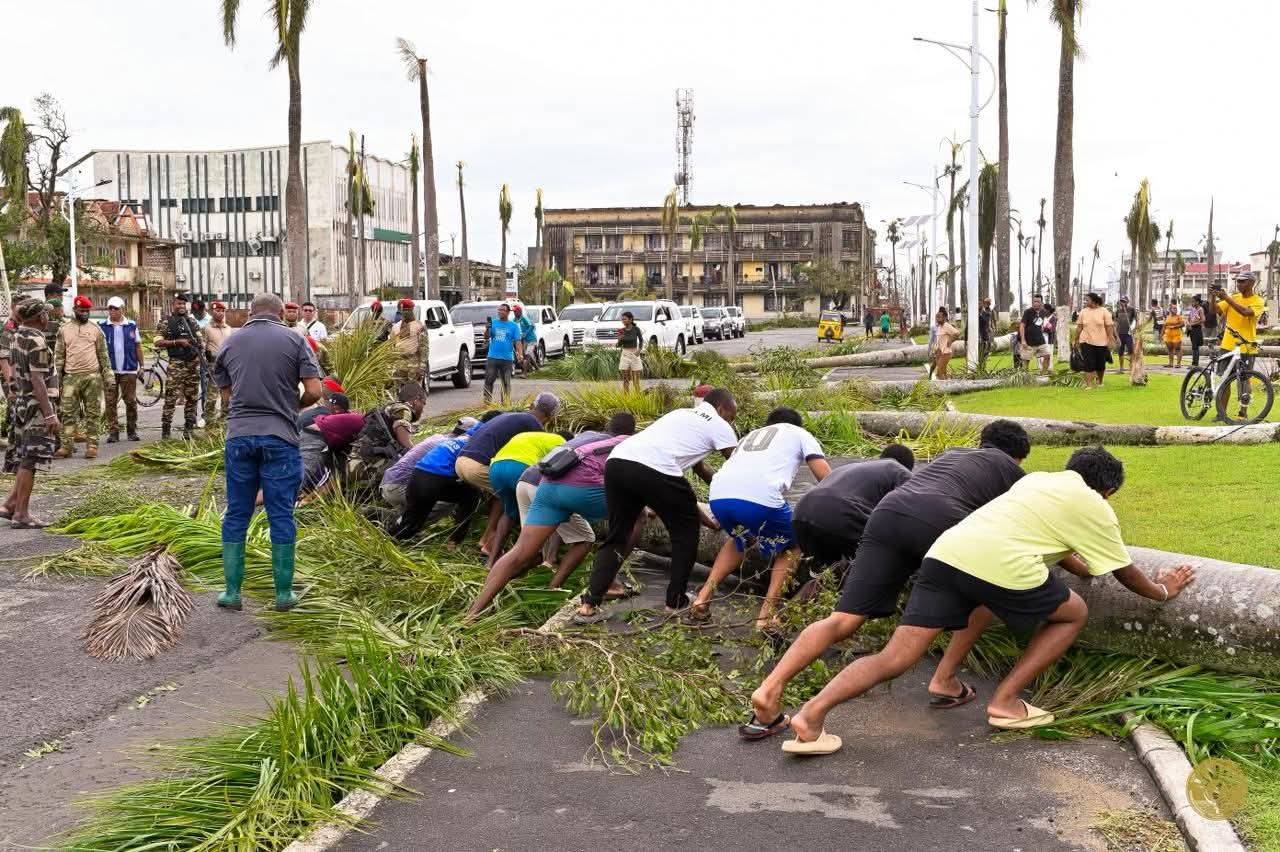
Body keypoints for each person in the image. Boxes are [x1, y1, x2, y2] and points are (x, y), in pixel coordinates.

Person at [781, 447, 1195, 754]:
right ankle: (1006, 702)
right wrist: (1162, 590)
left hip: (945, 554)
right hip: (998, 567)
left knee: (896, 656)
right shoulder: (1095, 507)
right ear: (1107, 490)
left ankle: (810, 717)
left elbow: (1067, 551)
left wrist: (1083, 567)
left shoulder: (1035, 482)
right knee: (1073, 613)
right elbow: (1122, 571)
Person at [743, 420, 1029, 741]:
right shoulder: (1014, 474)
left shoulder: (950, 456)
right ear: (1018, 456)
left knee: (842, 620)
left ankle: (769, 690)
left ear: (982, 441)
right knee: (979, 599)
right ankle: (944, 680)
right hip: (942, 520)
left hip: (885, 516)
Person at [574, 387, 739, 624]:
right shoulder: (719, 425)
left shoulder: (680, 415)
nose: (730, 422)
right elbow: (737, 464)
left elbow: (699, 471)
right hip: (655, 468)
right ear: (721, 407)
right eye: (730, 417)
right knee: (685, 534)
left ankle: (589, 605)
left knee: (618, 535)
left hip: (618, 462)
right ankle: (676, 602)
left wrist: (705, 515)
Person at [213, 293, 322, 612]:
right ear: (278, 313)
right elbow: (315, 391)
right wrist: (292, 405)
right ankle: (283, 594)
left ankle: (232, 592)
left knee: (237, 511)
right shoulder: (294, 339)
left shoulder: (230, 343)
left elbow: (228, 393)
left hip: (240, 437)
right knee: (280, 513)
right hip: (280, 436)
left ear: (250, 313)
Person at [468, 413, 639, 616]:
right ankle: (606, 582)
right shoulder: (628, 442)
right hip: (574, 486)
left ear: (608, 426)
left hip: (545, 483)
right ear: (631, 431)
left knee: (521, 551)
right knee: (637, 517)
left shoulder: (588, 435)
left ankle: (472, 614)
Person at [691, 407, 830, 631]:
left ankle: (702, 598)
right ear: (797, 424)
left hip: (718, 496)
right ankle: (765, 615)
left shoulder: (750, 436)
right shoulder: (799, 433)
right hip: (758, 498)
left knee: (741, 539)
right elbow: (824, 475)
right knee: (793, 545)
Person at [790, 444, 915, 584]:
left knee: (822, 575)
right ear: (908, 467)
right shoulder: (900, 470)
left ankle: (804, 600)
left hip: (800, 514)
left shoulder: (851, 467)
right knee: (878, 556)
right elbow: (913, 511)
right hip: (840, 514)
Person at [457, 392, 561, 554]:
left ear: (532, 406)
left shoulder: (514, 416)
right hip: (476, 465)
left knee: (501, 494)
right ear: (550, 417)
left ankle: (488, 539)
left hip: (462, 460)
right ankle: (502, 545)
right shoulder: (534, 426)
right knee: (515, 495)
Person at [2, 300, 60, 528]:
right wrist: (49, 414)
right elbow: (38, 379)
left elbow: (14, 375)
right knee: (30, 460)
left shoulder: (18, 336)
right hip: (36, 407)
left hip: (23, 404)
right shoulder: (36, 340)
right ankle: (21, 514)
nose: (48, 317)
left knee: (25, 455)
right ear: (40, 317)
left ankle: (10, 504)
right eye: (46, 314)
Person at [387, 418, 490, 544]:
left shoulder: (440, 438)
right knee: (451, 501)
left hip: (399, 481)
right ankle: (451, 541)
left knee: (414, 514)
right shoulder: (467, 446)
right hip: (401, 485)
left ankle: (397, 526)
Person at [483, 426, 571, 569]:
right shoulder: (562, 441)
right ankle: (546, 559)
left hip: (496, 469)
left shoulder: (530, 435)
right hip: (520, 468)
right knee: (549, 511)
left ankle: (491, 560)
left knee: (509, 513)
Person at [53, 296, 114, 460]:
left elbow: (104, 356)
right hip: (70, 378)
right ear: (74, 310)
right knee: (67, 413)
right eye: (82, 311)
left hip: (92, 378)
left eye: (87, 311)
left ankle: (92, 446)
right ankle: (66, 446)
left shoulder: (96, 329)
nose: (85, 313)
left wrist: (109, 377)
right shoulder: (64, 330)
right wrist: (56, 381)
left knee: (92, 414)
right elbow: (59, 357)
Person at [380, 416, 480, 510]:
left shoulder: (437, 437)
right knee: (451, 499)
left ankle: (383, 516)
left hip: (388, 481)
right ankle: (404, 524)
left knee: (409, 511)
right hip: (400, 487)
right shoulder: (452, 447)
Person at [345, 382, 425, 487]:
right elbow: (401, 431)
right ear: (416, 400)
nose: (423, 409)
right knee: (413, 471)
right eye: (423, 403)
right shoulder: (404, 409)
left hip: (355, 463)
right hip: (363, 467)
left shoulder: (389, 407)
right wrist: (419, 457)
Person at [1212, 271, 1267, 420]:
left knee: (1244, 382)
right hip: (1228, 345)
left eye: (1242, 281)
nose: (1239, 284)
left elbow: (1245, 312)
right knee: (1225, 379)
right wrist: (1213, 296)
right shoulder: (1233, 297)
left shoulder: (1258, 300)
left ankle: (1243, 413)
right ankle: (1221, 413)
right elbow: (1215, 310)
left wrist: (1226, 298)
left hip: (1247, 346)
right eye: (1238, 281)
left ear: (1251, 283)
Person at [156, 293, 203, 440]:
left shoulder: (192, 322)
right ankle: (166, 430)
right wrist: (177, 342)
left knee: (192, 398)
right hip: (176, 364)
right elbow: (157, 342)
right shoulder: (166, 322)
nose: (181, 306)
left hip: (192, 364)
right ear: (173, 305)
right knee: (171, 397)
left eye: (184, 304)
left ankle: (188, 429)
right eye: (179, 304)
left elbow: (200, 340)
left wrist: (201, 348)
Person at [99, 296, 144, 443]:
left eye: (116, 308)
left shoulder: (131, 325)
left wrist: (142, 366)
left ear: (122, 309)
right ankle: (113, 432)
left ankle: (132, 431)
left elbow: (138, 346)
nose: (112, 311)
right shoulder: (102, 326)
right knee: (110, 402)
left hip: (128, 369)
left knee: (130, 401)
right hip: (110, 371)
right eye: (110, 308)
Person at [298, 396, 362, 497]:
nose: (334, 410)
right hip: (315, 437)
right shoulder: (362, 423)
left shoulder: (348, 418)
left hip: (308, 434)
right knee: (305, 472)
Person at [1071, 292, 1114, 389]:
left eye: (1087, 300)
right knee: (1088, 362)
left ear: (1094, 301)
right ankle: (1089, 384)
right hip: (1086, 341)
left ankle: (1100, 381)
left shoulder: (1104, 311)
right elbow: (1079, 327)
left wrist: (1110, 338)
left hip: (1101, 342)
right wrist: (1076, 339)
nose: (1085, 302)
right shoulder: (1083, 312)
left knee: (1100, 364)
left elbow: (1109, 326)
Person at [201, 300, 234, 425]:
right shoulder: (206, 329)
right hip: (213, 365)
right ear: (211, 312)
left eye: (222, 311)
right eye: (217, 311)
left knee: (227, 393)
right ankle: (209, 420)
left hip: (227, 365)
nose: (220, 313)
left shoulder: (228, 329)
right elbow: (202, 348)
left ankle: (224, 419)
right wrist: (205, 366)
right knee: (212, 395)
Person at [482, 303, 522, 404]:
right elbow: (486, 337)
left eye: (502, 310)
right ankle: (487, 404)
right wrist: (487, 328)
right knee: (489, 381)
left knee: (505, 383)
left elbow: (518, 341)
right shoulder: (493, 323)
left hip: (507, 358)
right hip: (493, 357)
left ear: (508, 312)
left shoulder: (513, 326)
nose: (500, 312)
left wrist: (519, 353)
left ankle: (505, 405)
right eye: (499, 310)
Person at [389, 298, 428, 389]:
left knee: (413, 394)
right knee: (399, 394)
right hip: (399, 365)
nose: (405, 313)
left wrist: (422, 367)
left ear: (411, 310)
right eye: (403, 311)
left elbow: (424, 348)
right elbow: (391, 346)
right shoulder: (396, 327)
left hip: (414, 365)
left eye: (407, 311)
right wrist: (391, 366)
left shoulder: (419, 326)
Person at [1019, 294, 1051, 374]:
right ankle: (1025, 378)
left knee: (1047, 356)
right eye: (1034, 301)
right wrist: (1023, 340)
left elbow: (1041, 323)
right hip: (1028, 341)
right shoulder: (1027, 312)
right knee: (1026, 361)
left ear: (1041, 303)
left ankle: (1043, 375)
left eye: (1038, 301)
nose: (1036, 303)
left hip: (1040, 340)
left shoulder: (1043, 312)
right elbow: (1022, 326)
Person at [930, 308, 961, 380]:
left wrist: (951, 340)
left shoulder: (946, 325)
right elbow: (940, 340)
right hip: (939, 353)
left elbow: (957, 333)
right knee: (943, 373)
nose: (937, 319)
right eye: (936, 317)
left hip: (946, 353)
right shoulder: (940, 327)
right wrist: (936, 349)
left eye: (939, 317)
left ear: (944, 317)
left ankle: (943, 389)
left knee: (939, 374)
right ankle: (949, 386)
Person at [617, 310, 643, 393]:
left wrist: (639, 350)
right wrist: (619, 339)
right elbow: (618, 345)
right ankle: (626, 399)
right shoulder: (621, 330)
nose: (623, 321)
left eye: (625, 319)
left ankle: (638, 398)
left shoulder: (636, 329)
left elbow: (641, 340)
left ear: (631, 319)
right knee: (626, 379)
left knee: (636, 380)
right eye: (622, 319)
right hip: (625, 355)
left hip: (635, 354)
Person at [512, 304, 539, 374]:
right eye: (514, 312)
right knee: (525, 356)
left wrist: (525, 333)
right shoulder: (514, 320)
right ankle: (537, 369)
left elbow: (532, 326)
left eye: (516, 312)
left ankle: (525, 373)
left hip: (531, 340)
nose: (514, 313)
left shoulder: (524, 318)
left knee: (528, 354)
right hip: (523, 341)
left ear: (520, 312)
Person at [1112, 297, 1136, 372]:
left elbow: (1136, 320)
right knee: (1120, 351)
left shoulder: (1131, 309)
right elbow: (1115, 322)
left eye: (1124, 301)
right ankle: (1121, 368)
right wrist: (1115, 333)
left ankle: (1132, 367)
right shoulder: (1118, 311)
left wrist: (1134, 329)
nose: (1122, 303)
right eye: (1121, 301)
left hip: (1129, 334)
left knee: (1131, 351)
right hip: (1120, 334)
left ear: (1127, 301)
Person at [1162, 303, 1186, 368]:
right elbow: (1164, 326)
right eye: (1174, 308)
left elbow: (1183, 324)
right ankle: (1170, 363)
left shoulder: (1178, 317)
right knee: (1170, 349)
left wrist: (1175, 326)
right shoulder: (1168, 317)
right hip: (1168, 335)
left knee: (1178, 349)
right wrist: (1162, 334)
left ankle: (1178, 363)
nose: (1175, 309)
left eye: (1176, 308)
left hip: (1176, 335)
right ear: (1170, 309)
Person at [1186, 295, 1206, 368]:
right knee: (1193, 347)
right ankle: (1193, 363)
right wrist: (1188, 323)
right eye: (1192, 301)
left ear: (1197, 302)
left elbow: (1203, 319)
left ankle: (1195, 364)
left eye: (1193, 301)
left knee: (1195, 347)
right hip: (1191, 329)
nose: (1192, 302)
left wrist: (1192, 324)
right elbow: (1189, 318)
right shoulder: (1192, 309)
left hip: (1196, 329)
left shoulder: (1200, 309)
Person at [977, 298, 993, 370]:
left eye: (988, 302)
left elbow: (986, 321)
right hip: (978, 335)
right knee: (979, 354)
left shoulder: (987, 312)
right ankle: (980, 368)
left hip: (984, 335)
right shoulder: (975, 313)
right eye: (986, 302)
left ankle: (982, 368)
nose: (987, 303)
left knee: (984, 353)